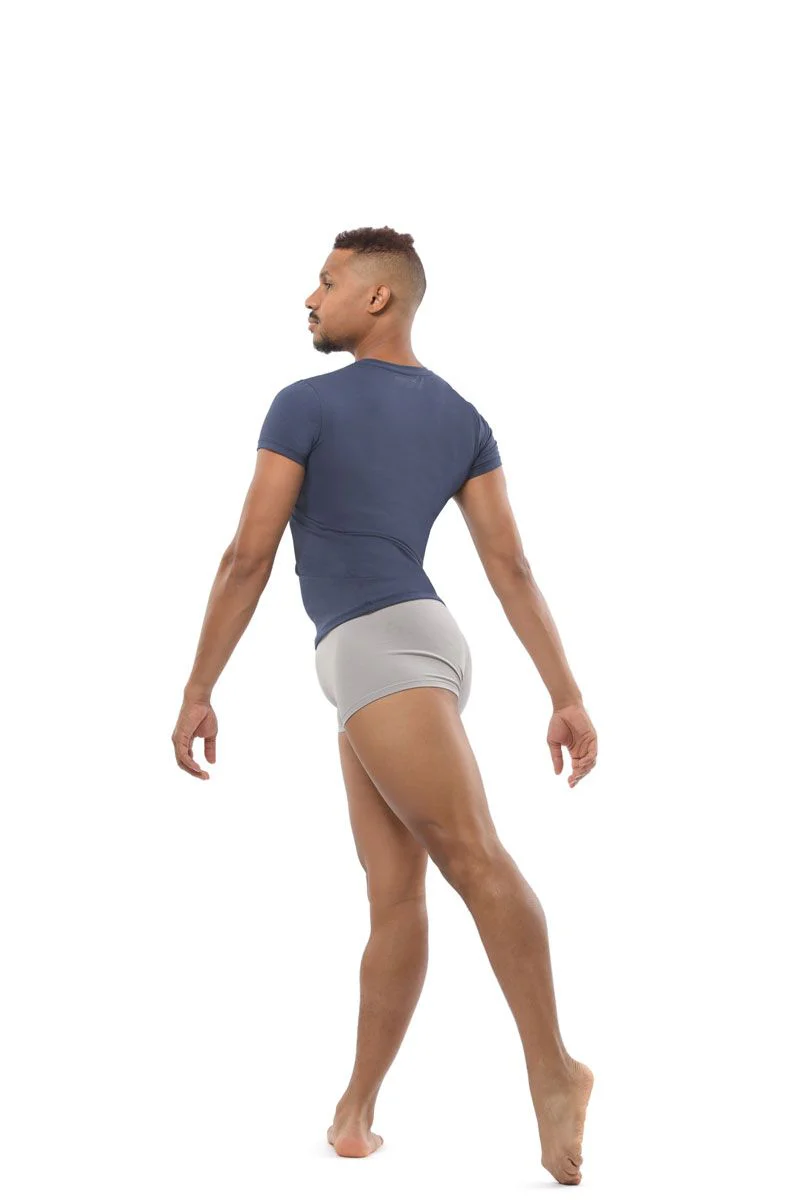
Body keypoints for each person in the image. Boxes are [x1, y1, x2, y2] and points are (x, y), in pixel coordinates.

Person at [172, 225, 598, 1185]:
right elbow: (510, 566)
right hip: (402, 646)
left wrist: (199, 687)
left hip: (377, 647)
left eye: (325, 282)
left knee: (473, 857)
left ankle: (555, 1072)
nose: (309, 298)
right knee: (395, 894)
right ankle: (355, 1114)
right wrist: (563, 693)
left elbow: (246, 555)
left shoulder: (306, 402)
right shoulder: (462, 416)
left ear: (378, 297)